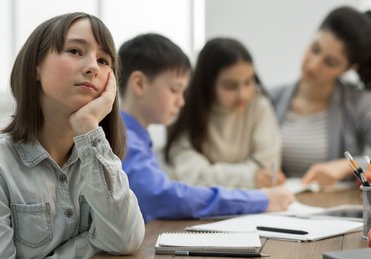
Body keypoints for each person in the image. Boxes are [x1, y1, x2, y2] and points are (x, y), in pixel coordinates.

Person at [0, 12, 144, 259]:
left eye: (103, 60)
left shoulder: (96, 158)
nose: (92, 68)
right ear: (36, 66)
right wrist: (91, 243)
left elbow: (125, 239)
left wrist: (88, 125)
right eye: (75, 51)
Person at [118, 33, 295, 223]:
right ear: (139, 84)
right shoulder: (126, 141)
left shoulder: (136, 139)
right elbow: (165, 197)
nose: (181, 101)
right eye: (175, 90)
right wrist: (260, 199)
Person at [163, 38, 285, 189]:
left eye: (248, 82)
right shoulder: (183, 108)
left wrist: (214, 174)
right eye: (230, 86)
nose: (243, 94)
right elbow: (191, 175)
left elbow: (268, 168)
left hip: (257, 203)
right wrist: (249, 176)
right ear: (208, 84)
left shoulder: (259, 104)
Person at [269, 6, 371, 186]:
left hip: (335, 209)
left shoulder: (361, 104)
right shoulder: (270, 99)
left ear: (349, 68)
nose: (314, 65)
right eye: (315, 49)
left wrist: (346, 166)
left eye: (330, 63)